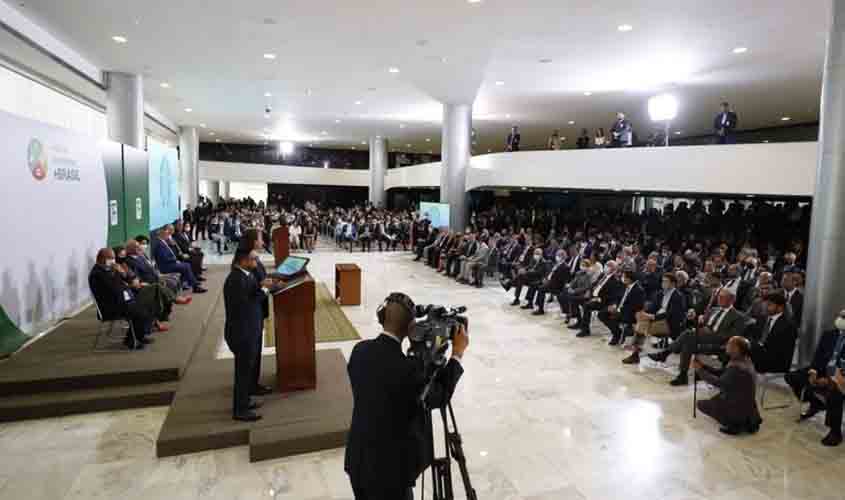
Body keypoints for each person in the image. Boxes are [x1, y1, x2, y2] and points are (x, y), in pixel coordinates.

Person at [345, 293, 467, 500]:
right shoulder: (410, 371)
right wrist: (457, 354)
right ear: (411, 328)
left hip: (358, 460)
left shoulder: (359, 351)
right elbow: (438, 396)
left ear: (382, 317)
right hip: (390, 474)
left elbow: (388, 381)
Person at [649, 288, 748, 386]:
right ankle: (682, 374)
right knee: (688, 341)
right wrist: (695, 320)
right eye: (719, 297)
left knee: (688, 335)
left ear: (732, 299)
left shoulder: (738, 316)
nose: (719, 299)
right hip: (700, 338)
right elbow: (699, 326)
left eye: (723, 297)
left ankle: (667, 356)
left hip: (717, 343)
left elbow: (732, 336)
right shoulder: (713, 310)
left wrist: (710, 333)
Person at [223, 249, 277, 422]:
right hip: (241, 332)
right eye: (254, 258)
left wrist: (264, 287)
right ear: (244, 260)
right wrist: (264, 289)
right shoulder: (236, 280)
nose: (257, 261)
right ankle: (240, 410)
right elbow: (246, 304)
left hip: (248, 328)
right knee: (243, 372)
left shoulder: (246, 275)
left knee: (247, 369)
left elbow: (254, 293)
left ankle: (245, 401)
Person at [785, 309, 845, 446]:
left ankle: (835, 432)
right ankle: (816, 402)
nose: (841, 319)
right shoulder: (829, 334)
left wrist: (831, 380)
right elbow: (818, 356)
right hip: (824, 370)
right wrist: (813, 371)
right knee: (792, 377)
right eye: (840, 316)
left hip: (841, 376)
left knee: (835, 393)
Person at [693, 336, 763, 435]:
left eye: (729, 344)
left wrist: (699, 370)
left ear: (736, 349)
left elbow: (718, 383)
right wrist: (703, 367)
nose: (726, 346)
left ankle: (734, 424)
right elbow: (723, 373)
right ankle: (746, 422)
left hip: (734, 405)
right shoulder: (745, 360)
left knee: (701, 404)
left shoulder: (736, 368)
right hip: (746, 404)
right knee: (715, 399)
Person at [235, 229, 275, 398]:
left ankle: (253, 384)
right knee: (250, 355)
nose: (263, 242)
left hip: (257, 312)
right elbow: (251, 293)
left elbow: (261, 279)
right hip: (249, 318)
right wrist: (265, 286)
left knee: (255, 353)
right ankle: (248, 388)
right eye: (260, 239)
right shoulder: (244, 266)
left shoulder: (253, 258)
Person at [89, 248, 154, 350]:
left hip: (122, 300)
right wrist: (116, 273)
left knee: (146, 306)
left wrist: (123, 272)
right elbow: (112, 289)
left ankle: (139, 337)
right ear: (101, 259)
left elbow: (127, 280)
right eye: (110, 258)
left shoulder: (109, 269)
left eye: (114, 258)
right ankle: (131, 341)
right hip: (110, 306)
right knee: (139, 312)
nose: (113, 261)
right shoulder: (97, 273)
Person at [623, 273, 686, 366]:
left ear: (672, 284)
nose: (663, 283)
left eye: (665, 281)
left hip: (669, 323)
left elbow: (671, 314)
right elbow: (653, 308)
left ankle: (635, 353)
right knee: (642, 320)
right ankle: (635, 352)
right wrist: (644, 313)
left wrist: (652, 317)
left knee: (642, 325)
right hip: (656, 320)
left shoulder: (678, 296)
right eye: (662, 281)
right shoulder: (660, 293)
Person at [750, 292, 798, 374]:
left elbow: (782, 353)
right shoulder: (761, 319)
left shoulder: (789, 326)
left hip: (775, 363)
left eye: (769, 305)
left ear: (780, 307)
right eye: (765, 305)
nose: (765, 307)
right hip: (757, 357)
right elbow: (754, 338)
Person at [600, 269, 645, 345]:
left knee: (614, 318)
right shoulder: (623, 286)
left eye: (624, 277)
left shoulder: (638, 290)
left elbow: (637, 306)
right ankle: (617, 332)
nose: (623, 278)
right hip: (619, 308)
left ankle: (617, 335)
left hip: (629, 313)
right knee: (601, 314)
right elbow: (617, 298)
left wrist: (619, 310)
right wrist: (614, 305)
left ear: (629, 279)